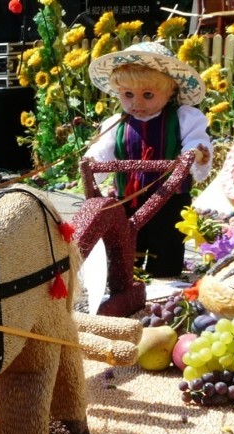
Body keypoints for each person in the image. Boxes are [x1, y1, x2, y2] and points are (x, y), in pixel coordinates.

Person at [85, 42, 213, 278]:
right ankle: (126, 280)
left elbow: (196, 142)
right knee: (127, 242)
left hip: (169, 197)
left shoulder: (184, 118)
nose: (137, 103)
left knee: (167, 241)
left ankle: (165, 280)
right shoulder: (117, 124)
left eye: (148, 95)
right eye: (128, 95)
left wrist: (196, 152)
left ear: (170, 92)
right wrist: (93, 160)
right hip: (128, 198)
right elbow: (104, 149)